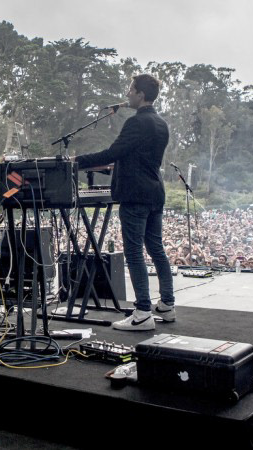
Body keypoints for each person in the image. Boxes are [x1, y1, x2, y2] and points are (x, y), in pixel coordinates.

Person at [75, 74, 173, 331]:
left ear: (141, 94)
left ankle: (143, 313)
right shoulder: (161, 123)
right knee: (156, 249)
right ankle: (167, 304)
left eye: (131, 89)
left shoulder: (136, 122)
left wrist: (77, 161)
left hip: (135, 194)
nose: (127, 94)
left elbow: (112, 153)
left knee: (134, 252)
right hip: (155, 192)